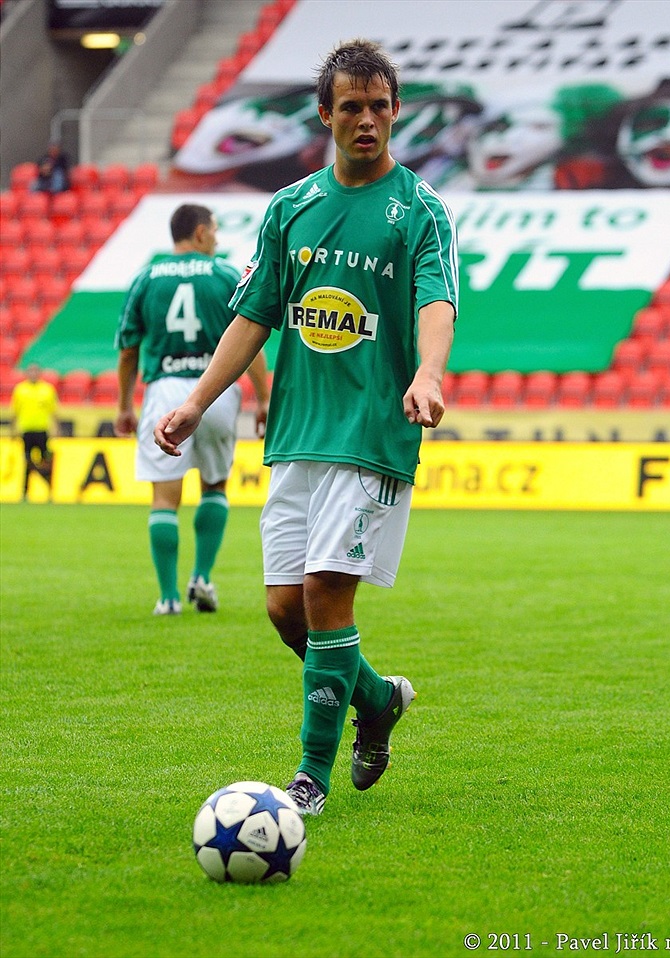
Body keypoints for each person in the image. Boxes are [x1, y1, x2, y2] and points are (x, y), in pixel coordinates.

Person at [154, 40, 459, 814]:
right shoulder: (290, 207)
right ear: (324, 114)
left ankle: (307, 782)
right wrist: (195, 401)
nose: (366, 120)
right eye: (350, 106)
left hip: (372, 433)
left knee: (327, 598)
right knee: (286, 612)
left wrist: (427, 374)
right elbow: (253, 316)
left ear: (396, 112)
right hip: (296, 434)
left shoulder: (419, 211)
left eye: (379, 106)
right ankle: (378, 700)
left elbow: (436, 301)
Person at [115, 203, 269, 616]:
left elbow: (129, 349)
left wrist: (124, 405)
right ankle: (201, 576)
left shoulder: (147, 278)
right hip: (215, 390)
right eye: (215, 230)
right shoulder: (223, 274)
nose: (217, 238)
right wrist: (264, 397)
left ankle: (167, 598)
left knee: (165, 499)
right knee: (215, 486)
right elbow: (249, 334)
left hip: (165, 391)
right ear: (200, 233)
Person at [10, 364, 59, 501]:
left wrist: (56, 429)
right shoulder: (20, 389)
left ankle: (49, 492)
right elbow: (15, 411)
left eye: (35, 371)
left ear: (40, 373)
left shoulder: (47, 389)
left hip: (42, 431)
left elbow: (53, 411)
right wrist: (13, 429)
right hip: (26, 431)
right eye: (30, 371)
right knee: (27, 462)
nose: (33, 373)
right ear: (26, 373)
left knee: (45, 462)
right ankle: (25, 493)